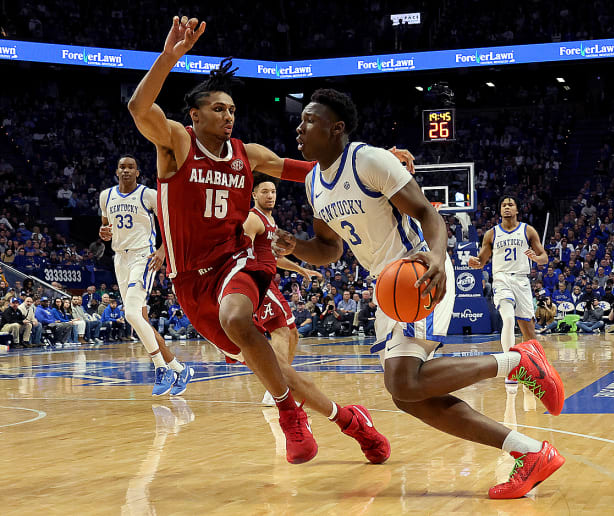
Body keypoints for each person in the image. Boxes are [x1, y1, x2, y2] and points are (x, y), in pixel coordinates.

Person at [273, 88, 565, 498]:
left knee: (403, 382)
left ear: (336, 128)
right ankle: (530, 452)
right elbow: (330, 249)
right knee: (408, 395)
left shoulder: (369, 160)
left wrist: (436, 257)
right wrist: (294, 247)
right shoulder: (312, 184)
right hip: (385, 284)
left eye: (310, 120)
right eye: (301, 120)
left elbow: (429, 213)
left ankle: (517, 360)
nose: (300, 127)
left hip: (417, 270)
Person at [128, 15, 391, 465]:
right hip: (190, 281)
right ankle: (350, 420)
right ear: (195, 115)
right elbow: (139, 107)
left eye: (231, 110)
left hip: (242, 257)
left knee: (238, 317)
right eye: (218, 109)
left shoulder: (247, 155)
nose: (228, 115)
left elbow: (311, 169)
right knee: (273, 367)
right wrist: (170, 56)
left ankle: (289, 414)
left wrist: (378, 164)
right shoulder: (176, 143)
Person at [99, 154, 193, 396]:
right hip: (120, 258)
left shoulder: (148, 194)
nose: (127, 170)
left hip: (145, 256)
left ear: (138, 172)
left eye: (131, 167)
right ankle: (180, 369)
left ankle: (162, 368)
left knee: (130, 312)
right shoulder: (105, 196)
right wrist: (104, 233)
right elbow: (106, 227)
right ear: (116, 171)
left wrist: (162, 251)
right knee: (139, 320)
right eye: (122, 167)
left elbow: (170, 224)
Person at [243, 175, 322, 405]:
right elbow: (240, 252)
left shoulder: (271, 221)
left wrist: (301, 270)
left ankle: (280, 385)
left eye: (273, 192)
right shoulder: (252, 219)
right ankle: (277, 388)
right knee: (280, 332)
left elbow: (274, 257)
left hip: (269, 282)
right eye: (265, 191)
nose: (270, 195)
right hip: (257, 282)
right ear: (254, 195)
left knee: (293, 333)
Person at [469, 195, 548, 409]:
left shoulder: (528, 230)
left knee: (529, 332)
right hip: (502, 278)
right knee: (508, 317)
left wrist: (536, 258)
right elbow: (481, 260)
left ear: (516, 209)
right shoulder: (492, 233)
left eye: (510, 204)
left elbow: (544, 257)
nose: (506, 207)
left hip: (522, 280)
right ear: (500, 209)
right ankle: (510, 368)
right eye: (503, 204)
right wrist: (474, 262)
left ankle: (537, 368)